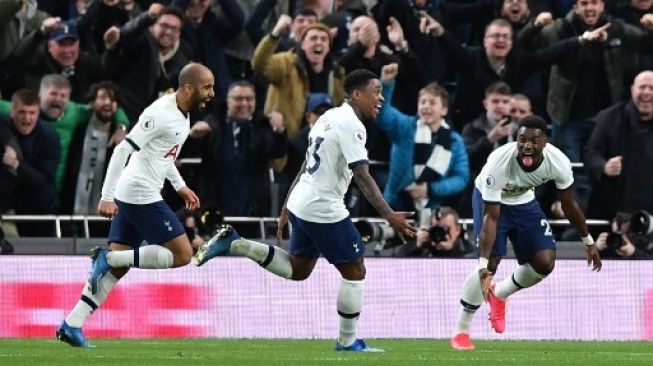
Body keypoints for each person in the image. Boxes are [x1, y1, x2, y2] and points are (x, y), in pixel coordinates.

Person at [194, 69, 416, 352]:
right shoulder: (351, 125)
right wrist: (389, 215)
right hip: (323, 207)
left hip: (303, 200)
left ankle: (237, 244)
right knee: (356, 270)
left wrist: (287, 206)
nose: (381, 98)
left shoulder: (328, 116)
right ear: (357, 94)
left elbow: (305, 164)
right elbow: (362, 175)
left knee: (298, 270)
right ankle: (347, 342)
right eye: (376, 92)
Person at [56, 63, 214, 348]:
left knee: (119, 267)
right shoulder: (160, 114)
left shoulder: (184, 114)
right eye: (207, 87)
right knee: (182, 254)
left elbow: (163, 156)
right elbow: (122, 149)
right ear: (188, 87)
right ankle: (107, 258)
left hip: (140, 190)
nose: (212, 93)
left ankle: (72, 324)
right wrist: (106, 195)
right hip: (138, 192)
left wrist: (179, 186)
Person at [450, 115, 602, 351]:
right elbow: (491, 216)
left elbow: (569, 205)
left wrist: (588, 241)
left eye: (534, 140)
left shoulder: (559, 162)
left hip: (524, 203)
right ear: (516, 139)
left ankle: (499, 294)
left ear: (546, 142)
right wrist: (482, 264)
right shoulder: (499, 162)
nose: (527, 145)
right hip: (491, 200)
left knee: (545, 262)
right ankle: (461, 331)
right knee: (490, 263)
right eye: (522, 139)